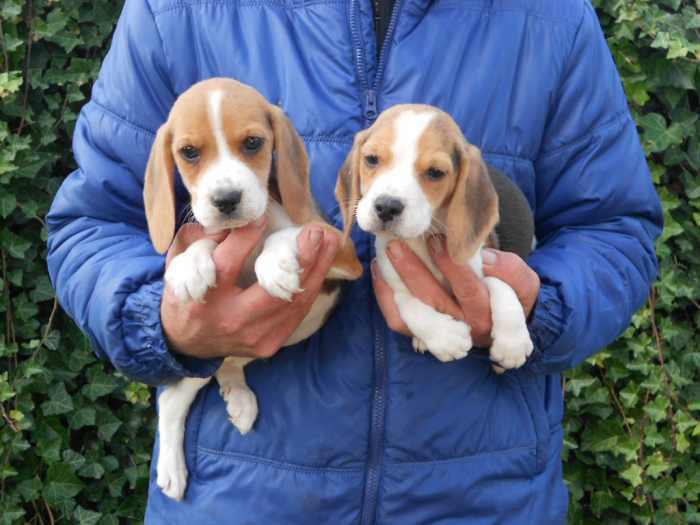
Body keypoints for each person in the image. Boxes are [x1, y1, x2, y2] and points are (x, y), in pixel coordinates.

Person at [46, 0, 662, 523]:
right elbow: (93, 221)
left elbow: (614, 228)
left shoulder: (550, 15)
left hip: (482, 499)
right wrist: (160, 321)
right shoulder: (173, 9)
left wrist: (536, 309)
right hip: (238, 497)